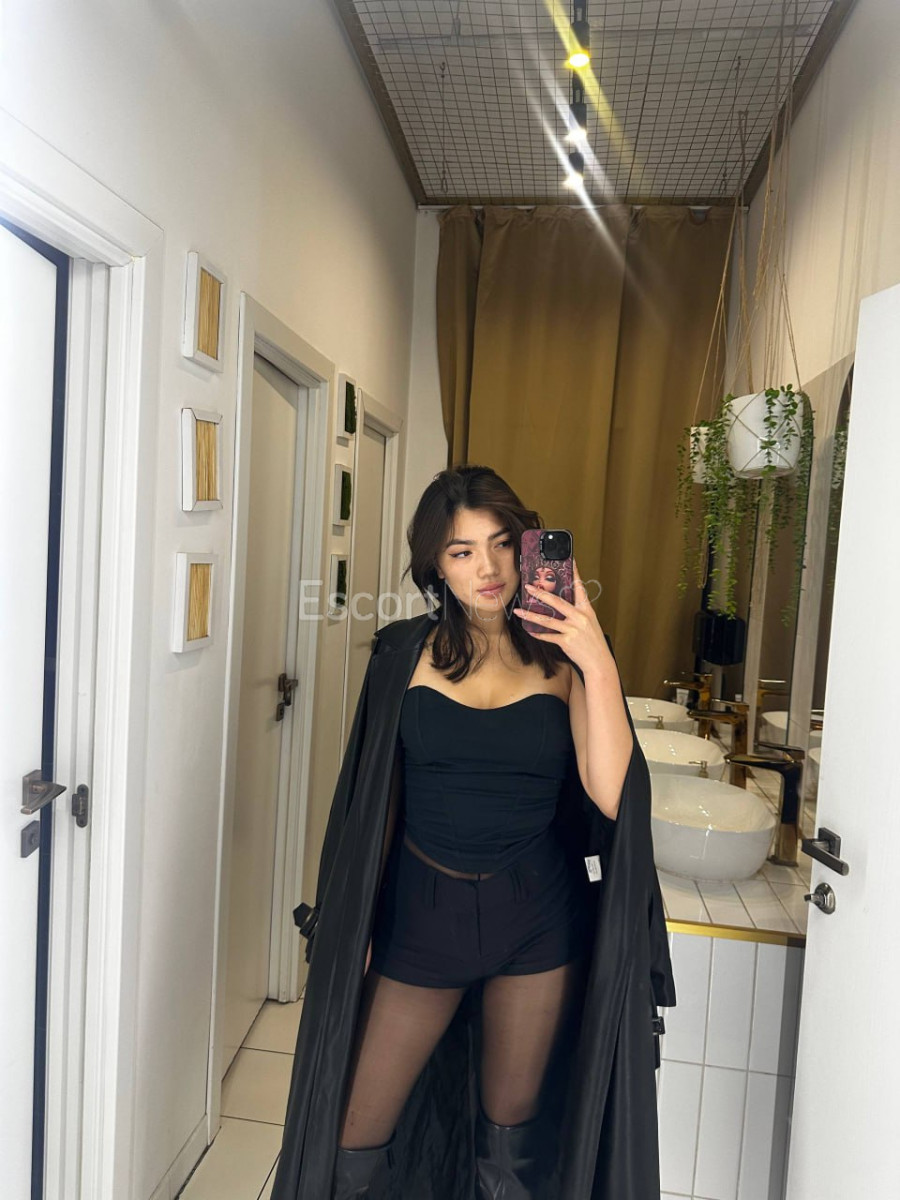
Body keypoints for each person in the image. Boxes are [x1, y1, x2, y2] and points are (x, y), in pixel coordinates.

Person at [271, 465, 675, 1200]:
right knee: (353, 1133)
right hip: (422, 919)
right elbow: (370, 803)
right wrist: (351, 923)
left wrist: (595, 656)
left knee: (510, 1141)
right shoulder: (401, 654)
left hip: (537, 922)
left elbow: (614, 795)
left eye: (500, 544)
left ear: (525, 547)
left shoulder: (566, 658)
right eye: (462, 551)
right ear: (436, 565)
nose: (487, 568)